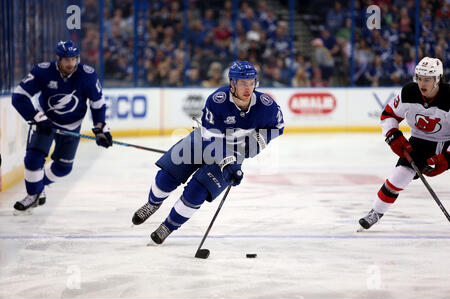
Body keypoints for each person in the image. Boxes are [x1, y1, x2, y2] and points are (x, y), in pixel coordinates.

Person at [132, 61, 285, 244]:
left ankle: (168, 226)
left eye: (251, 82)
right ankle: (153, 204)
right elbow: (212, 138)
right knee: (168, 175)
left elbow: (278, 127)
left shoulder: (266, 106)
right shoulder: (217, 100)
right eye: (243, 83)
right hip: (203, 140)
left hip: (235, 150)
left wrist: (256, 144)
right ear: (232, 83)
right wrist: (227, 163)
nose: (248, 88)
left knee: (197, 192)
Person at [11, 40, 112, 214]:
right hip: (46, 123)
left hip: (72, 126)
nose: (70, 63)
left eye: (73, 59)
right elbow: (19, 96)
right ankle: (33, 195)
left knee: (63, 167)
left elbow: (98, 103)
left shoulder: (87, 75)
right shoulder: (43, 72)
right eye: (66, 59)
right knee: (33, 159)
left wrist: (101, 127)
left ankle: (39, 186)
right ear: (58, 59)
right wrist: (38, 118)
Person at [359, 57, 450, 229]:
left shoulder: (448, 97)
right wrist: (393, 136)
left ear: (438, 79)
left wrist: (446, 158)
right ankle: (375, 212)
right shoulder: (409, 92)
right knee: (397, 178)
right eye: (419, 78)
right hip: (419, 142)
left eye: (427, 79)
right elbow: (388, 115)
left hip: (447, 142)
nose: (422, 83)